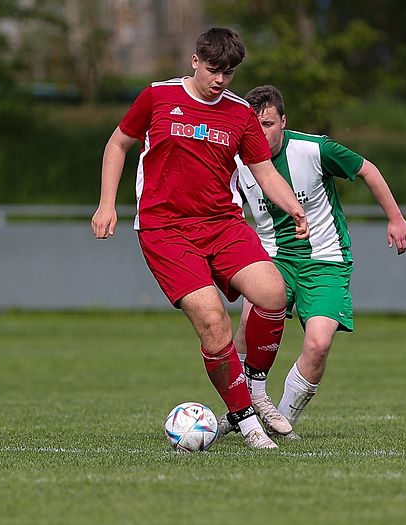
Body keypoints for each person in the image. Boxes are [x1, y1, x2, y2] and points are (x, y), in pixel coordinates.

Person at [90, 29, 309, 449]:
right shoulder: (158, 96)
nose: (220, 80)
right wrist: (106, 204)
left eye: (229, 73)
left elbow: (265, 172)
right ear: (195, 61)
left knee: (273, 293)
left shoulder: (240, 113)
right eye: (213, 70)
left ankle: (255, 389)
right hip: (166, 230)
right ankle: (246, 421)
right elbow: (117, 144)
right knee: (213, 321)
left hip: (222, 224)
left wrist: (295, 209)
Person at [221, 85, 406, 438]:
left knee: (318, 344)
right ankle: (242, 411)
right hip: (272, 259)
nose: (261, 133)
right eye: (254, 125)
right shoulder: (237, 162)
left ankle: (279, 422)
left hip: (325, 259)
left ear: (283, 121)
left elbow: (367, 169)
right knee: (246, 328)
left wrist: (396, 218)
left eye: (267, 124)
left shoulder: (314, 149)